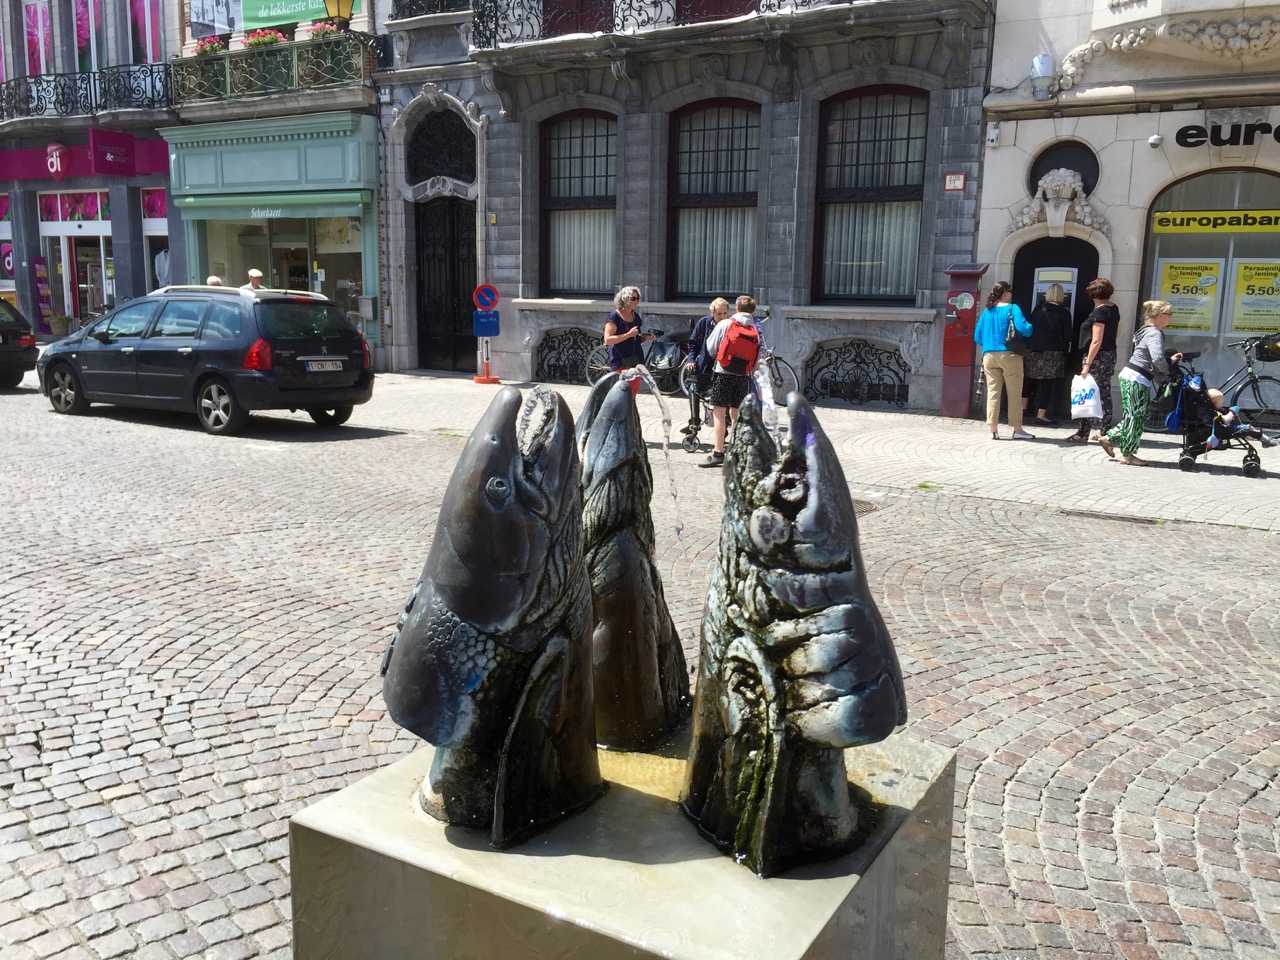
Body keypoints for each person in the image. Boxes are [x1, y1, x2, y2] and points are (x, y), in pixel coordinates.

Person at [1098, 300, 1182, 466]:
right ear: (1160, 315)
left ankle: (1109, 438)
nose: (1170, 318)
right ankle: (1128, 455)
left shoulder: (1145, 330)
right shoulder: (1154, 333)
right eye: (1169, 314)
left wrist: (1166, 364)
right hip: (1136, 378)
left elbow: (1150, 358)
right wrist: (1168, 371)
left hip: (1134, 376)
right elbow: (1156, 358)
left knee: (1140, 415)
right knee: (1135, 417)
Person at [699, 295, 761, 467]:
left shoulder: (726, 324)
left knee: (719, 412)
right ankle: (737, 452)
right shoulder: (754, 330)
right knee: (736, 413)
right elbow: (756, 358)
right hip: (743, 375)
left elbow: (710, 348)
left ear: (737, 309)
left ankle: (718, 452)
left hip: (724, 372)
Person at [973, 280, 1035, 440]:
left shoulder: (987, 312)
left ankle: (993, 430)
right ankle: (1017, 429)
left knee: (993, 393)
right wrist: (1031, 327)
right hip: (1009, 355)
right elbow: (1025, 329)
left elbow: (977, 337)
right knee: (1014, 393)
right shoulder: (1013, 308)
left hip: (989, 356)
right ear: (1005, 293)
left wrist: (990, 343)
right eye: (1010, 291)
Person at [1067, 277, 1121, 443]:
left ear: (1093, 294)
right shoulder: (1114, 308)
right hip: (1110, 354)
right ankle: (1105, 431)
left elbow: (1096, 340)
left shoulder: (1099, 312)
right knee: (1104, 393)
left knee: (1088, 392)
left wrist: (1087, 364)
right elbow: (1117, 333)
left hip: (1097, 356)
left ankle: (1083, 432)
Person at [1022, 282, 1072, 426]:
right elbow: (1068, 336)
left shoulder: (1038, 309)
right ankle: (1041, 414)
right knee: (1047, 383)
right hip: (1053, 351)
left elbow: (1029, 329)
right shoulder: (1064, 313)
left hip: (1034, 350)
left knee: (1029, 379)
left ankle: (1022, 409)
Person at [681, 297, 730, 438]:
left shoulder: (730, 325)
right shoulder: (704, 323)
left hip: (722, 369)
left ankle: (723, 423)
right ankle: (694, 422)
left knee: (722, 396)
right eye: (719, 314)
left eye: (725, 313)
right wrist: (691, 360)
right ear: (712, 313)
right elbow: (693, 345)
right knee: (693, 387)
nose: (722, 317)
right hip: (705, 367)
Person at [602, 285, 655, 395]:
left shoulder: (636, 317)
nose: (636, 302)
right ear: (624, 299)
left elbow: (635, 340)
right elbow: (608, 339)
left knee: (632, 395)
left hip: (635, 362)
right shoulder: (614, 317)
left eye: (637, 298)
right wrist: (628, 334)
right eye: (633, 298)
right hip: (620, 362)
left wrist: (647, 338)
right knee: (620, 395)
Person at [1203, 389, 1278, 448]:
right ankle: (1264, 440)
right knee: (1248, 428)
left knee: (1247, 429)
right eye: (1221, 403)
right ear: (1215, 404)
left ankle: (1263, 438)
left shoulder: (1211, 411)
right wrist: (1232, 412)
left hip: (1224, 427)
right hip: (1225, 429)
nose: (1222, 404)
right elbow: (1225, 420)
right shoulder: (1215, 413)